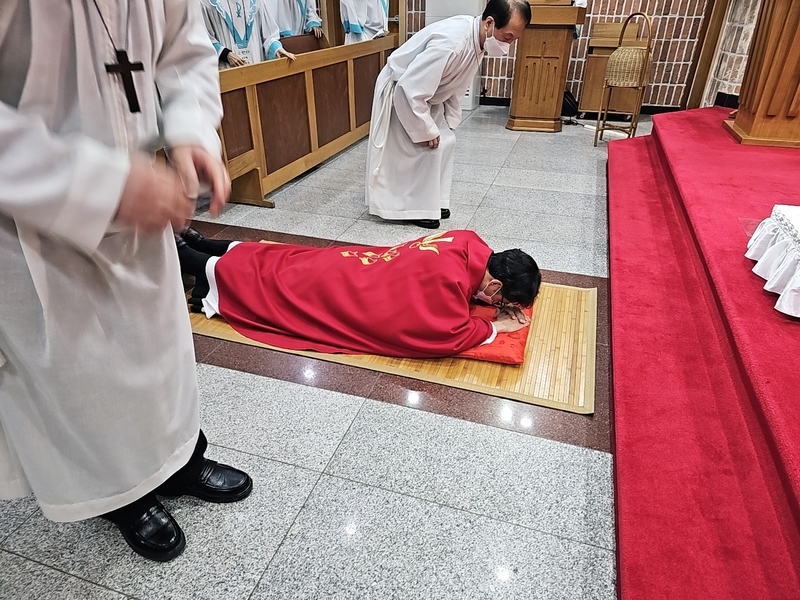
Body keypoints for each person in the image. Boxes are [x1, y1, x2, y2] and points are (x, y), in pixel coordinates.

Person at [0, 0, 251, 563]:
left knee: (160, 349)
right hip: (33, 215)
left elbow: (183, 49)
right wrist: (97, 185)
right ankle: (124, 494)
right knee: (87, 374)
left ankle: (180, 459)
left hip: (144, 197)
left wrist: (190, 131)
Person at [177, 228, 540, 357]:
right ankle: (191, 258)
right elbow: (445, 335)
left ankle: (204, 243)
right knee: (281, 287)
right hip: (354, 291)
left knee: (287, 260)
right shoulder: (450, 283)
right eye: (501, 300)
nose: (497, 305)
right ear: (495, 285)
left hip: (355, 264)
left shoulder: (469, 242)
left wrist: (486, 301)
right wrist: (496, 327)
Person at [366, 0, 531, 228]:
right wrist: (425, 129)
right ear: (489, 23)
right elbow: (409, 88)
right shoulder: (452, 43)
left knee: (446, 140)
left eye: (514, 40)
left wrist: (449, 121)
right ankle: (408, 206)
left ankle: (433, 201)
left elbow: (457, 84)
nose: (508, 45)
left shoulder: (478, 40)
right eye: (508, 37)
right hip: (402, 93)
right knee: (423, 148)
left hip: (427, 95)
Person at [200, 0, 296, 68]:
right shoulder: (207, 3)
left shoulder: (256, 2)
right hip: (227, 70)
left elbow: (269, 33)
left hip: (256, 64)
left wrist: (276, 49)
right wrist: (225, 53)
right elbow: (203, 36)